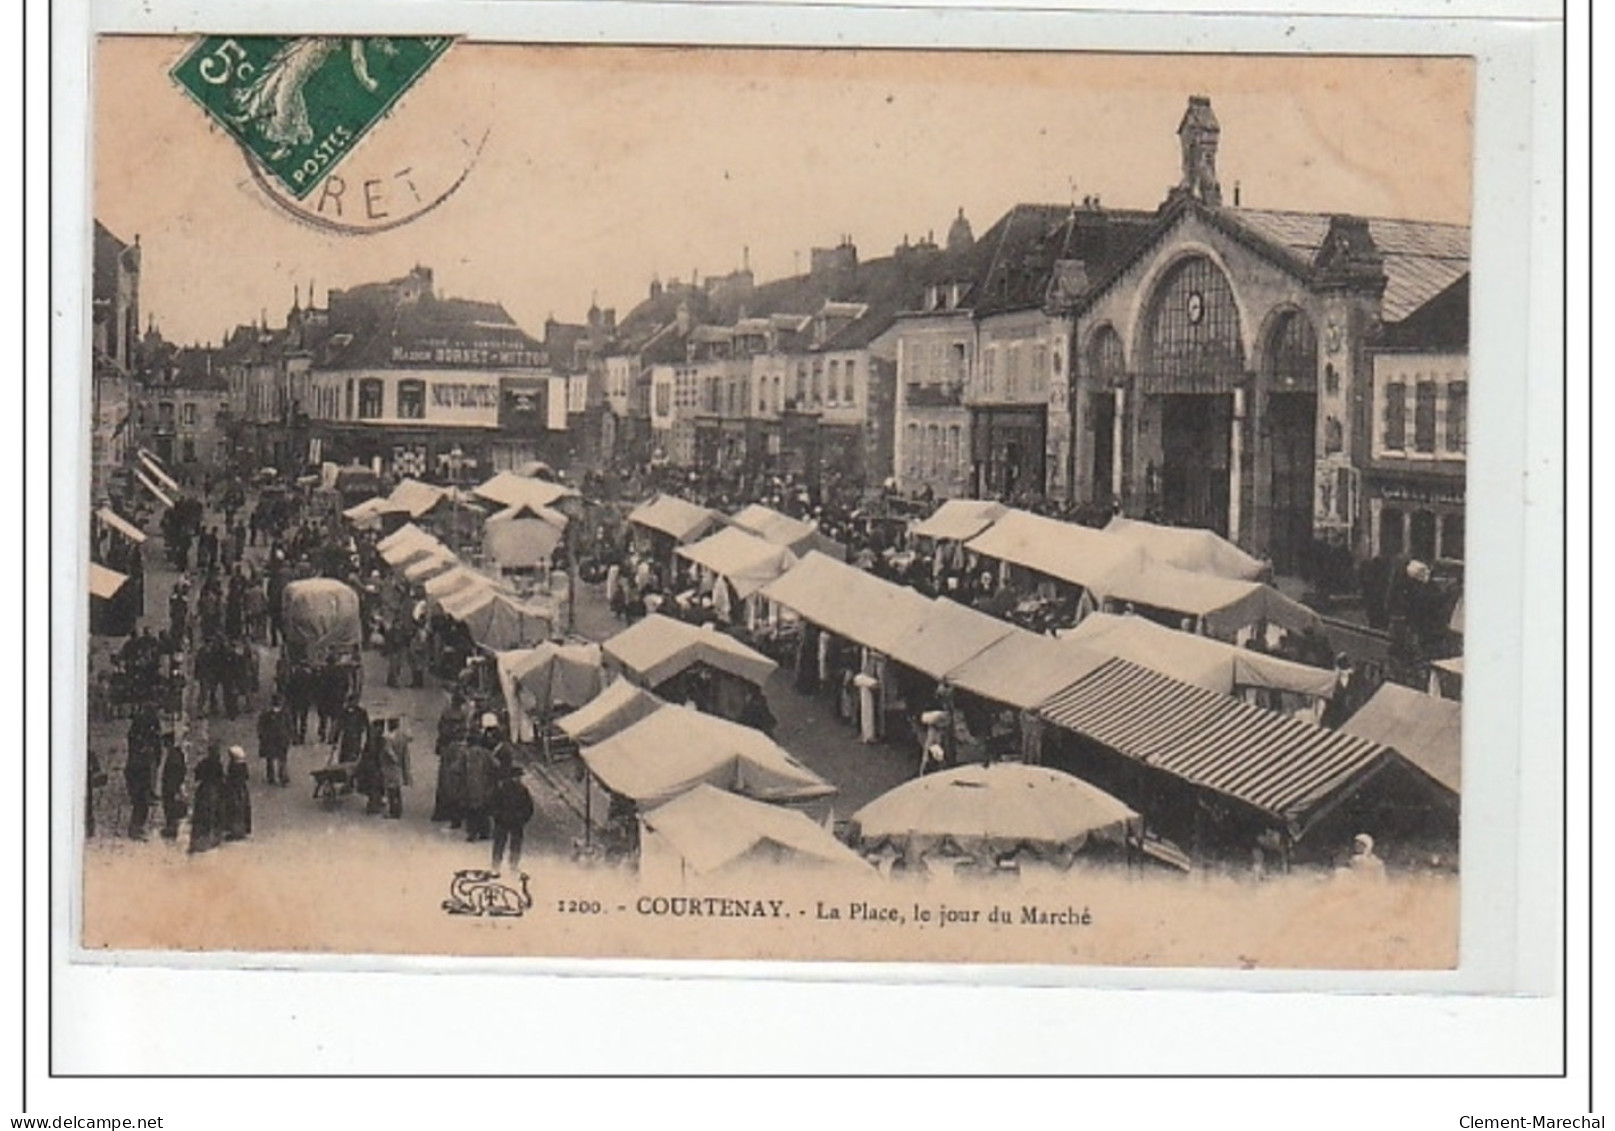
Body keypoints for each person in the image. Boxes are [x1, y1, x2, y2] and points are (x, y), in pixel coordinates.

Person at [488, 764, 534, 875]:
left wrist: (523, 818)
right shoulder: (518, 790)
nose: (517, 779)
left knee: (505, 844)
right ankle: (504, 865)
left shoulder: (507, 789)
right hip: (509, 821)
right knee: (507, 844)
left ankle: (504, 865)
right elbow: (528, 807)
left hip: (510, 821)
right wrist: (523, 818)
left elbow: (528, 807)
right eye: (516, 777)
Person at [462, 715, 500, 843]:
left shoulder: (466, 754)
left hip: (468, 785)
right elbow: (496, 765)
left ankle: (472, 834)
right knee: (483, 809)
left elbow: (456, 768)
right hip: (484, 785)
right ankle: (485, 832)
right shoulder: (485, 753)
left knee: (471, 810)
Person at [187, 742, 225, 855]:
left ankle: (199, 840)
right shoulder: (218, 764)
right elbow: (221, 778)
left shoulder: (204, 763)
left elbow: (197, 774)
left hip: (203, 791)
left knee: (202, 815)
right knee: (213, 814)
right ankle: (211, 837)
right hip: (214, 791)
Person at [380, 718, 413, 819]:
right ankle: (398, 811)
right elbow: (410, 738)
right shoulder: (402, 736)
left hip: (389, 766)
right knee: (397, 789)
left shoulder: (388, 738)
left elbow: (388, 751)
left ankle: (393, 812)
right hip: (398, 767)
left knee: (391, 790)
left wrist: (394, 759)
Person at [257, 694, 292, 786]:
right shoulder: (282, 713)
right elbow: (289, 725)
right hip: (274, 739)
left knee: (275, 758)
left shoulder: (270, 713)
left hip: (276, 739)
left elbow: (260, 726)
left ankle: (278, 776)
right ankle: (279, 777)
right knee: (278, 759)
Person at [159, 739, 188, 840]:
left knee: (170, 807)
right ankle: (172, 827)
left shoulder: (174, 756)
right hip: (172, 785)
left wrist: (175, 786)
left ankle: (171, 828)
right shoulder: (177, 754)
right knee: (171, 806)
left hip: (170, 786)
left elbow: (175, 772)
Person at [222, 745, 253, 841]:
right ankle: (242, 830)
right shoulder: (243, 765)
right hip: (241, 789)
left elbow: (231, 778)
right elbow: (246, 777)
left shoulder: (234, 766)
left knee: (234, 809)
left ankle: (234, 831)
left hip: (234, 790)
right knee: (242, 809)